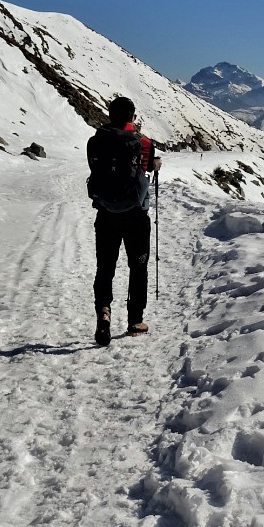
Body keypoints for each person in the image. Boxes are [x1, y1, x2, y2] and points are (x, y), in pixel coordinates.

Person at [87, 96, 161, 346]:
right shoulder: (144, 143)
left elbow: (94, 169)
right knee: (137, 267)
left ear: (110, 114)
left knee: (105, 267)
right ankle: (135, 321)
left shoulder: (95, 142)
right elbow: (149, 166)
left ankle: (104, 313)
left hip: (106, 214)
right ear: (132, 117)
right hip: (136, 216)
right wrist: (155, 164)